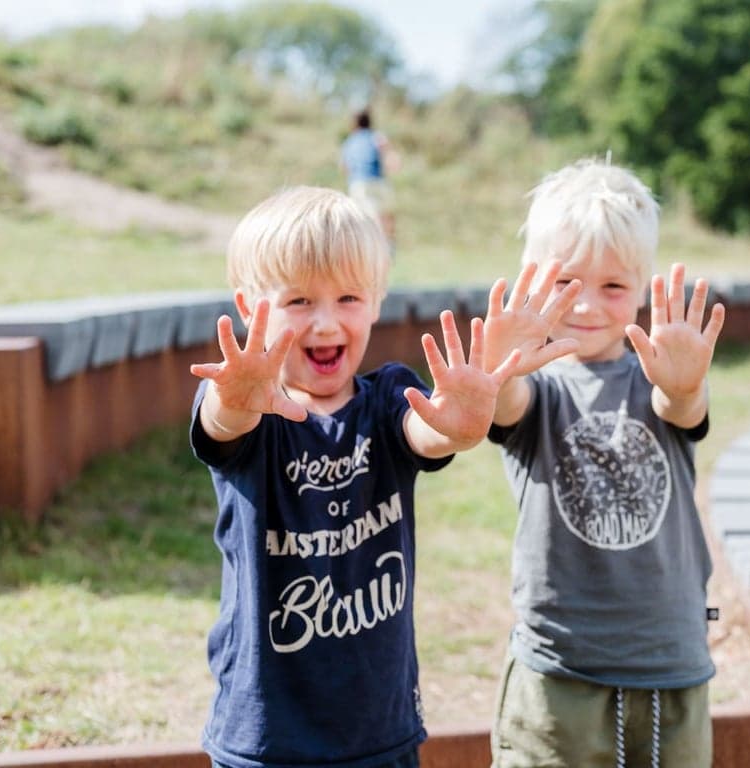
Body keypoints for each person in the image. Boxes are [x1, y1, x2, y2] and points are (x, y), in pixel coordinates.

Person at [187, 185, 525, 768]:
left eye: (347, 297)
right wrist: (234, 399)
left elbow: (424, 432)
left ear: (375, 301)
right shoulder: (251, 407)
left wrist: (457, 427)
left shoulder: (388, 397)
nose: (324, 322)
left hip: (378, 730)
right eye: (298, 301)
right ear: (250, 309)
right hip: (266, 734)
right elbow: (223, 424)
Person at [481, 158, 727, 768]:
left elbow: (683, 405)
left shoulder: (660, 380)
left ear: (642, 290)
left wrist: (687, 381)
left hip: (671, 664)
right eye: (567, 283)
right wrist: (502, 366)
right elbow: (507, 405)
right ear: (531, 281)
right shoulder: (539, 390)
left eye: (613, 286)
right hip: (560, 673)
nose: (587, 305)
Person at [341, 108, 398, 250]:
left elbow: (345, 167)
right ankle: (387, 247)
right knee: (386, 215)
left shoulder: (350, 141)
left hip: (359, 183)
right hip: (379, 180)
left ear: (354, 123)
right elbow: (390, 156)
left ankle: (376, 250)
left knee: (368, 218)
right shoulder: (376, 136)